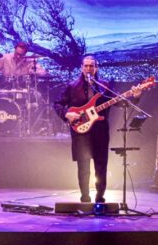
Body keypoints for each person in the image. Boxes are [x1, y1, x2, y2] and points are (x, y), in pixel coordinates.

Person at [53, 56, 142, 203]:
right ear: (81, 67)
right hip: (81, 132)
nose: (89, 69)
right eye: (86, 66)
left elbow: (120, 102)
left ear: (96, 68)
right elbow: (57, 104)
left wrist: (135, 97)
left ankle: (100, 197)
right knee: (83, 167)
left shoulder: (104, 86)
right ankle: (85, 197)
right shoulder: (72, 86)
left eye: (92, 66)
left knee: (101, 165)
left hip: (100, 131)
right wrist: (67, 114)